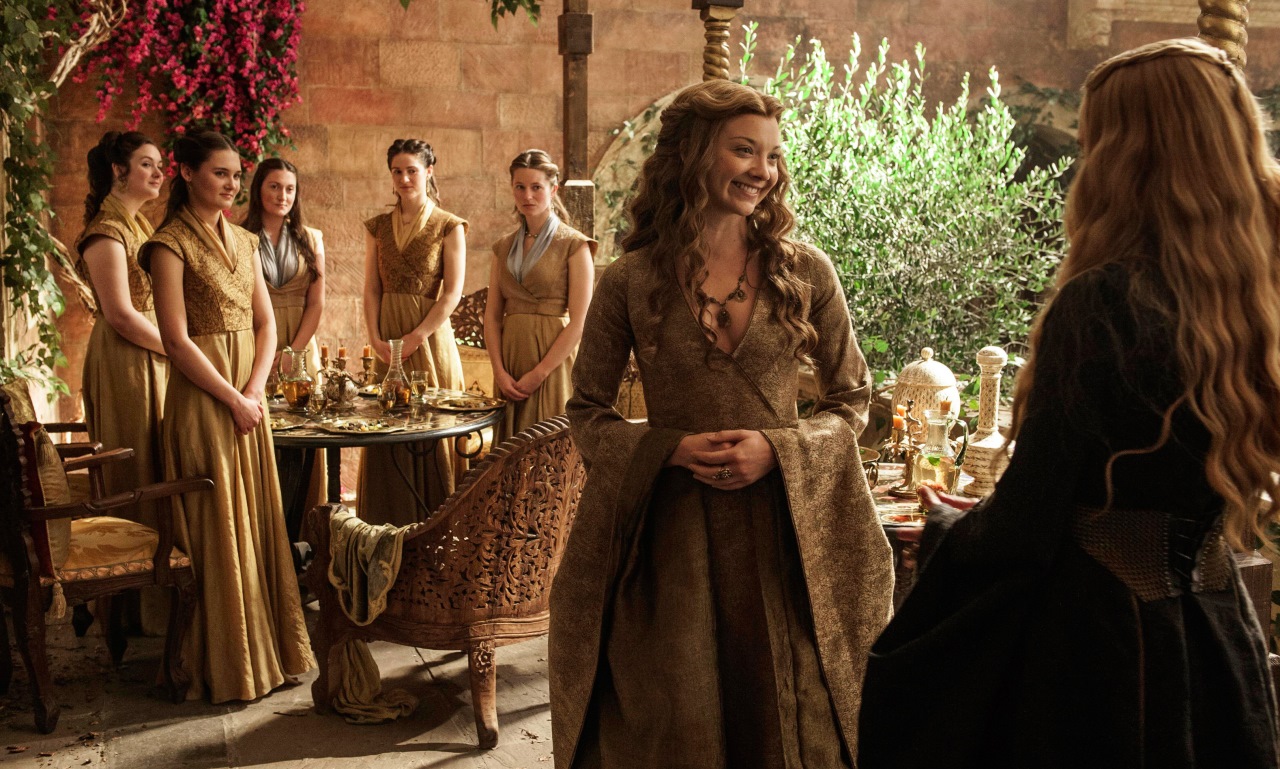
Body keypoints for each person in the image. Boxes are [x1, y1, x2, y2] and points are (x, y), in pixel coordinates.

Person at [859, 38, 1280, 768]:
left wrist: (948, 523)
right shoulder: (1256, 298)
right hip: (1216, 636)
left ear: (1127, 154)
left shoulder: (1104, 302)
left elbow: (1026, 521)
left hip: (1108, 652)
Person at [548, 79, 894, 769]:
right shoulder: (629, 281)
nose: (763, 170)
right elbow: (586, 411)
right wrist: (670, 449)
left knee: (786, 714)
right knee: (679, 715)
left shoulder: (807, 272)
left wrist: (778, 449)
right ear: (694, 154)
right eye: (744, 150)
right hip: (670, 543)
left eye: (772, 155)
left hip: (783, 537)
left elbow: (853, 399)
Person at [141, 130, 314, 703]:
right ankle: (226, 665)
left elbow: (267, 324)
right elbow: (175, 339)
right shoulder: (167, 244)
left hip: (249, 397)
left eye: (237, 175)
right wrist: (233, 399)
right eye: (220, 173)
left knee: (257, 521)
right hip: (204, 398)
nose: (233, 184)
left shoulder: (244, 241)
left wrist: (255, 390)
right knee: (218, 527)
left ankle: (270, 652)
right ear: (187, 173)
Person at [73, 131, 169, 633]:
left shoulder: (138, 224)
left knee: (156, 460)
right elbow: (121, 315)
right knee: (135, 465)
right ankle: (127, 610)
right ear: (118, 170)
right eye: (147, 164)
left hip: (153, 351)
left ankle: (156, 599)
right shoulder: (106, 231)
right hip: (125, 360)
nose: (159, 173)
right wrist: (178, 348)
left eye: (159, 164)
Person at [357, 139, 466, 526]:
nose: (404, 178)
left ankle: (435, 526)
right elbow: (371, 288)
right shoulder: (377, 227)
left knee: (430, 425)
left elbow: (452, 293)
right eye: (397, 171)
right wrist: (374, 337)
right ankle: (386, 524)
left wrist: (418, 336)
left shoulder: (449, 225)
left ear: (429, 171)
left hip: (430, 338)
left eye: (412, 171)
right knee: (386, 421)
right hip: (387, 337)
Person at [243, 158, 328, 540]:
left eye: (290, 188)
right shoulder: (239, 236)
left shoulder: (312, 238)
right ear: (259, 189)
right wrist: (266, 354)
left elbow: (316, 304)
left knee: (302, 438)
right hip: (254, 340)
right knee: (261, 434)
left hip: (300, 343)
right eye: (274, 186)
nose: (283, 195)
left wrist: (292, 353)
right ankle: (262, 533)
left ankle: (301, 536)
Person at [484, 149, 595, 440]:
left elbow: (580, 322)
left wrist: (540, 373)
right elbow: (492, 316)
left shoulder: (574, 245)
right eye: (520, 187)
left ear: (553, 189)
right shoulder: (502, 247)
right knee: (509, 449)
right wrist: (498, 371)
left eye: (536, 187)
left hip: (552, 363)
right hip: (510, 360)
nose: (527, 196)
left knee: (547, 447)